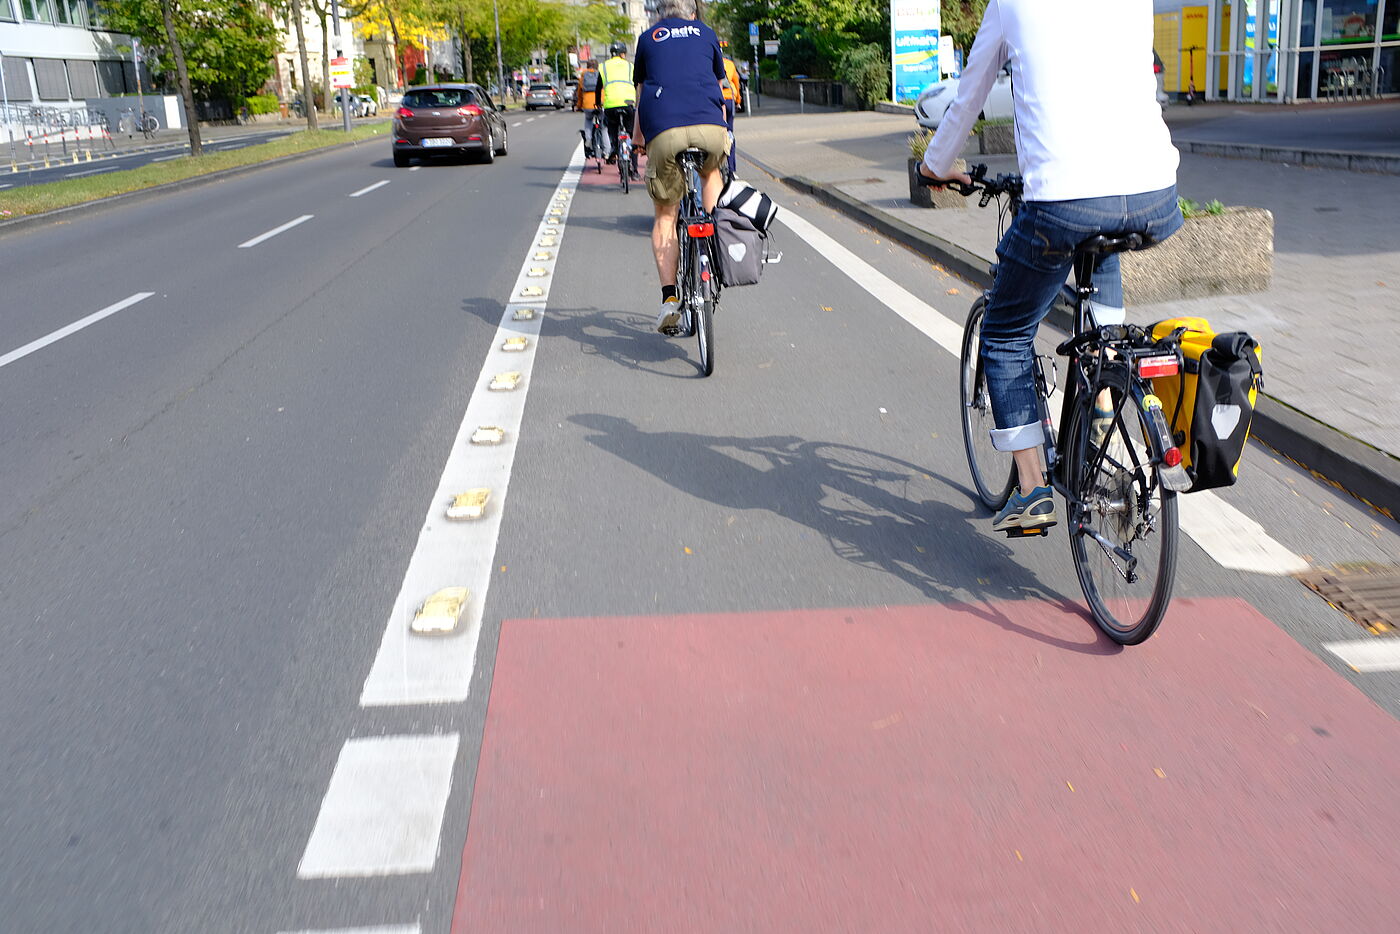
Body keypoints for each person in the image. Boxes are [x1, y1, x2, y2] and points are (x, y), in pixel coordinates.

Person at [918, 0, 1182, 533]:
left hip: (1064, 199)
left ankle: (1033, 489)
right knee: (1100, 271)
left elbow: (968, 98)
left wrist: (936, 166)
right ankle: (1105, 392)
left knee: (1004, 332)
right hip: (1155, 195)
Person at [631, 0, 730, 334]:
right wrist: (723, 130)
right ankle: (714, 247)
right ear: (692, 13)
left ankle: (670, 299)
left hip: (665, 131)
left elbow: (642, 94)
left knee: (665, 216)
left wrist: (638, 139)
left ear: (660, 14)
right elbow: (719, 86)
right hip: (709, 128)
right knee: (711, 173)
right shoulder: (706, 33)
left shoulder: (647, 39)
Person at [599, 42, 639, 178]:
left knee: (612, 128)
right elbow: (637, 84)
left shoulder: (604, 66)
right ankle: (635, 171)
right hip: (628, 103)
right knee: (632, 137)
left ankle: (615, 148)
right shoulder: (630, 66)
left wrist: (597, 103)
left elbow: (598, 87)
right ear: (623, 54)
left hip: (610, 105)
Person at [574, 59, 605, 158]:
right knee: (603, 125)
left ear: (587, 66)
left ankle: (588, 139)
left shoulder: (583, 76)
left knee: (588, 120)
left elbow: (579, 93)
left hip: (587, 104)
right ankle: (606, 147)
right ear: (597, 67)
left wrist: (579, 106)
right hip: (600, 103)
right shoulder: (601, 74)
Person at [719, 51, 742, 175]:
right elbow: (736, 83)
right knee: (729, 132)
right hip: (729, 100)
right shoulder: (730, 64)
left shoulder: (710, 63)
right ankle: (731, 168)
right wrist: (738, 100)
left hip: (716, 100)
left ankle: (716, 165)